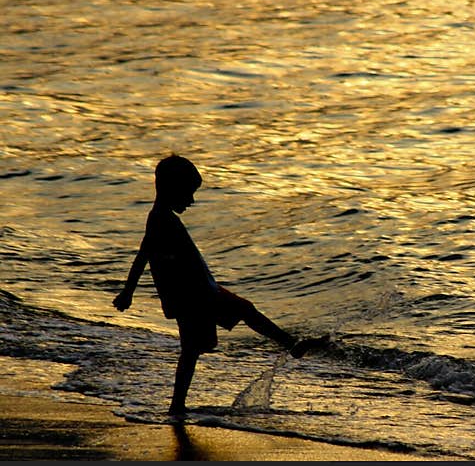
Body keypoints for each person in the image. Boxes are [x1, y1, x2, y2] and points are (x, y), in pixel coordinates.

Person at [112, 154, 324, 416]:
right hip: (193, 294)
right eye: (188, 193)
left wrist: (129, 291)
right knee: (238, 316)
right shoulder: (160, 219)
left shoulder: (161, 217)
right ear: (171, 189)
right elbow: (144, 253)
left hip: (194, 291)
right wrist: (128, 291)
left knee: (195, 348)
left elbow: (147, 254)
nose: (191, 201)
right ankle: (293, 345)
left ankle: (177, 405)